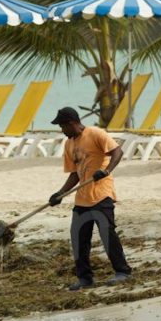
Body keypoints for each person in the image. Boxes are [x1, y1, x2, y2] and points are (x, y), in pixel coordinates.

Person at [49, 106, 132, 291]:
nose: (61, 130)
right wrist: (60, 194)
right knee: (78, 238)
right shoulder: (69, 144)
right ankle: (85, 278)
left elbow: (117, 152)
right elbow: (74, 174)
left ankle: (123, 271)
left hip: (102, 194)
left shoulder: (95, 133)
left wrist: (106, 170)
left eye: (62, 126)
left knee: (107, 233)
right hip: (82, 199)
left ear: (72, 123)